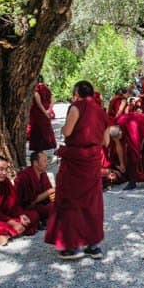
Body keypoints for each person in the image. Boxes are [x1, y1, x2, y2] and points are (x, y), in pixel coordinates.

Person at [45, 81, 109, 260]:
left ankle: (71, 247)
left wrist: (65, 128)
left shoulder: (76, 107)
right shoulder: (101, 111)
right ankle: (93, 246)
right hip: (93, 161)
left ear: (77, 93)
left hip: (75, 160)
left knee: (70, 200)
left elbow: (67, 131)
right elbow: (106, 142)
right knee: (92, 202)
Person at [112, 112, 144, 192]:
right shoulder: (116, 127)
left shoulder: (130, 126)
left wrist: (140, 146)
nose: (121, 140)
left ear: (121, 132)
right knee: (132, 156)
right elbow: (119, 145)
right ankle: (132, 181)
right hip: (138, 134)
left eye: (120, 138)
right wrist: (122, 164)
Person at [14, 151, 55, 226]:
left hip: (42, 205)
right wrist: (49, 192)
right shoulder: (24, 176)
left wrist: (53, 195)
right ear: (35, 163)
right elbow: (31, 202)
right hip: (28, 208)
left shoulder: (43, 174)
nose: (47, 164)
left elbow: (49, 193)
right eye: (44, 161)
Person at [27, 76, 56, 152]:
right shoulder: (46, 88)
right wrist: (49, 110)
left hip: (39, 114)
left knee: (38, 132)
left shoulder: (37, 88)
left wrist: (45, 112)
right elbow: (53, 100)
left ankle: (39, 153)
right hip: (46, 113)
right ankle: (43, 152)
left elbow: (38, 103)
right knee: (45, 131)